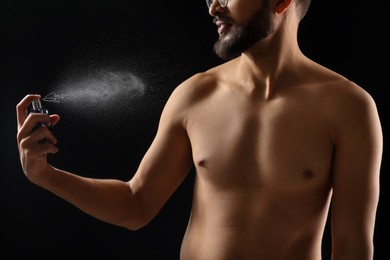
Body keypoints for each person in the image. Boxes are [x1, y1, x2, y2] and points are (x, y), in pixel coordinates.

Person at [16, 0, 382, 259]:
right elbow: (135, 204)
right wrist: (45, 176)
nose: (213, 7)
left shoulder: (349, 108)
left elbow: (352, 248)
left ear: (282, 1)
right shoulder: (195, 95)